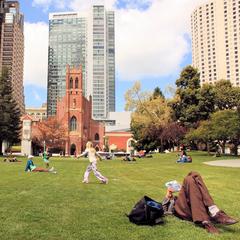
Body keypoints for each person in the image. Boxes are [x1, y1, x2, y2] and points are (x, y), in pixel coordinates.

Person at [162, 172, 238, 234]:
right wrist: (167, 196)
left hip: (189, 206)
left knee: (194, 174)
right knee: (188, 179)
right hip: (179, 209)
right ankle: (214, 212)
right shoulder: (172, 200)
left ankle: (208, 219)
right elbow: (164, 210)